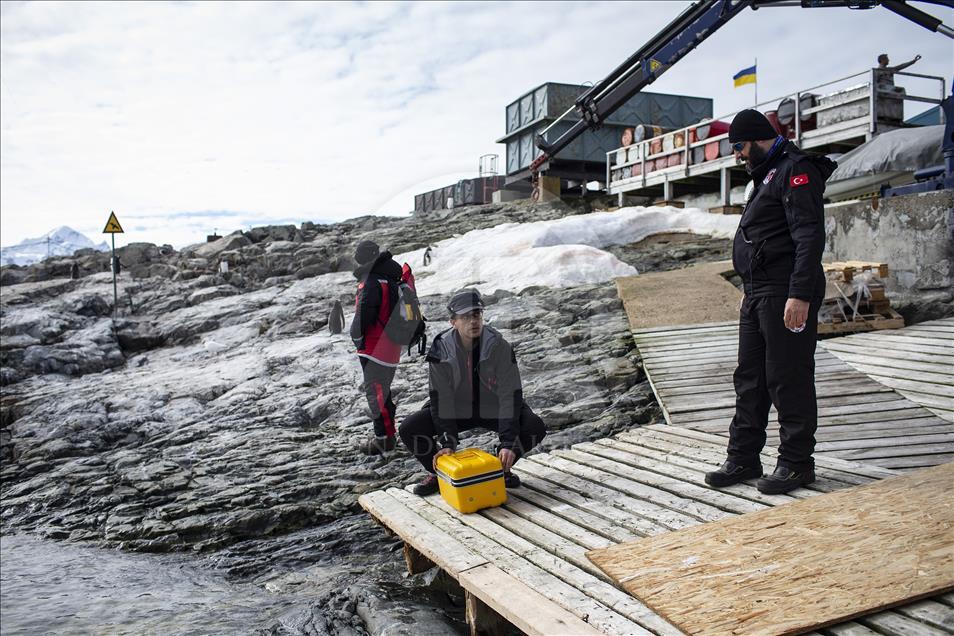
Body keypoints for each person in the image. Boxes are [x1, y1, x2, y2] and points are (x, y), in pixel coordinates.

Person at [705, 109, 836, 495]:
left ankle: (796, 463)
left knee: (788, 377)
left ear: (759, 138)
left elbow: (808, 237)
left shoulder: (796, 171)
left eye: (739, 147)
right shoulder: (767, 174)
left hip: (786, 292)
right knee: (750, 378)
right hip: (759, 291)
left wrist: (799, 294)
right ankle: (744, 456)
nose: (737, 155)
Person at [399, 289, 547, 496]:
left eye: (476, 315)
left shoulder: (499, 347)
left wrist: (508, 444)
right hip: (457, 408)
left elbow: (509, 395)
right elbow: (441, 398)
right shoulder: (440, 350)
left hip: (493, 406)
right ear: (453, 322)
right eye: (465, 317)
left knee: (534, 425)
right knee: (409, 428)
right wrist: (447, 442)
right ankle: (441, 473)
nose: (473, 321)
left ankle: (500, 469)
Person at [350, 240, 403, 455]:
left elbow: (364, 315)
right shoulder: (388, 277)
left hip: (375, 347)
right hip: (391, 345)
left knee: (376, 393)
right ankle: (388, 435)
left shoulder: (371, 280)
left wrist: (356, 338)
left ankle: (384, 440)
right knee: (382, 392)